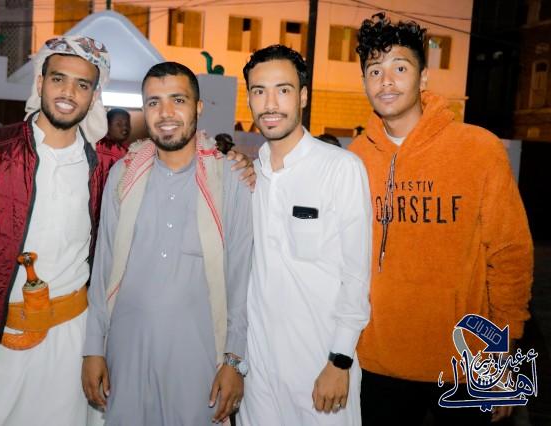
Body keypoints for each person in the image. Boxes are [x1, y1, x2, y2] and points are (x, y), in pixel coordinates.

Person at [348, 13, 533, 425]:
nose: (386, 81)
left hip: (466, 365)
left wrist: (504, 355)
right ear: (364, 82)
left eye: (400, 68)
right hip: (377, 365)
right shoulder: (354, 159)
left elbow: (510, 256)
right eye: (374, 71)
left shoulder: (479, 150)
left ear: (424, 77)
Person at [0, 35, 113, 426]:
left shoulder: (106, 162)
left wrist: (230, 162)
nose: (69, 92)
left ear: (94, 96)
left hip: (70, 342)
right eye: (58, 79)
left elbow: (169, 159)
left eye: (82, 84)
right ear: (40, 82)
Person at [82, 61, 253, 425]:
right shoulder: (123, 174)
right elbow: (103, 266)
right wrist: (93, 348)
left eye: (178, 100)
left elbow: (241, 279)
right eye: (154, 102)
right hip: (126, 352)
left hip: (199, 359)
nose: (166, 113)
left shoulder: (229, 178)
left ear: (198, 107)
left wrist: (235, 361)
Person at [239, 45, 372, 426]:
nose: (270, 104)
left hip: (321, 368)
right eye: (259, 91)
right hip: (258, 372)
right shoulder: (249, 175)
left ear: (303, 96)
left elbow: (356, 277)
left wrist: (340, 361)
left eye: (283, 90)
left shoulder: (340, 168)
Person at [95, 108, 131, 176]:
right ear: (107, 125)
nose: (125, 127)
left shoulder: (128, 148)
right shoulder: (102, 148)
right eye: (119, 124)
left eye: (127, 124)